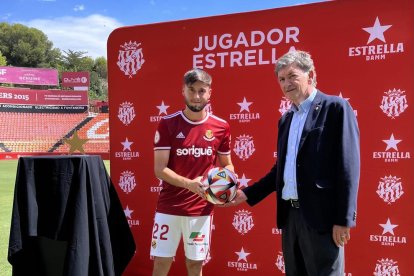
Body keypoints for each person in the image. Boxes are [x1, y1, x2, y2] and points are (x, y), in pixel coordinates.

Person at [227, 50, 360, 275]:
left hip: (323, 220)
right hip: (291, 219)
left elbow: (348, 166)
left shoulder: (335, 108)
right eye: (281, 79)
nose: (286, 83)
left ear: (311, 75)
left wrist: (344, 219)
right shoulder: (286, 119)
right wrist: (247, 194)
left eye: (292, 76)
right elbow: (281, 170)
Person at [151, 68, 235, 276]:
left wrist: (219, 182)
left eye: (201, 91)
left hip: (200, 209)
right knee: (161, 263)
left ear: (209, 93)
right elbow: (159, 169)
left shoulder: (221, 126)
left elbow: (228, 165)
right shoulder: (168, 123)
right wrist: (190, 183)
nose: (196, 96)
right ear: (183, 91)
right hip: (169, 206)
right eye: (191, 90)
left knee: (195, 264)